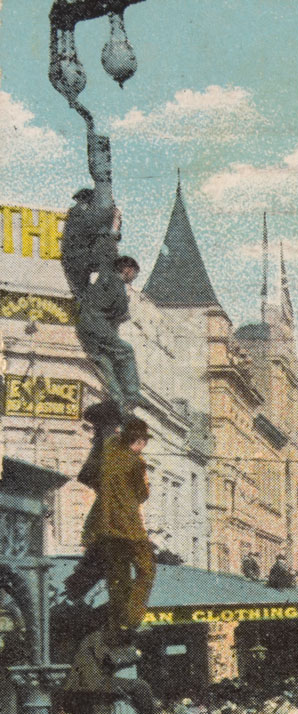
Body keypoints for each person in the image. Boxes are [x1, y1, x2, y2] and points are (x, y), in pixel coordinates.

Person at [80, 417, 154, 648]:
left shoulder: (109, 450)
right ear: (140, 441)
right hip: (128, 528)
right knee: (147, 569)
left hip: (102, 528)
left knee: (117, 580)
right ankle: (131, 619)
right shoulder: (136, 462)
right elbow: (142, 495)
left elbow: (89, 476)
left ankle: (117, 628)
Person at [75, 253, 146, 418]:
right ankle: (132, 393)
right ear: (128, 270)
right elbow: (120, 311)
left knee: (105, 363)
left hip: (84, 328)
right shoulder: (116, 282)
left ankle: (118, 402)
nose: (134, 278)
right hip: (97, 326)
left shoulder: (104, 278)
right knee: (126, 351)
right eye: (135, 273)